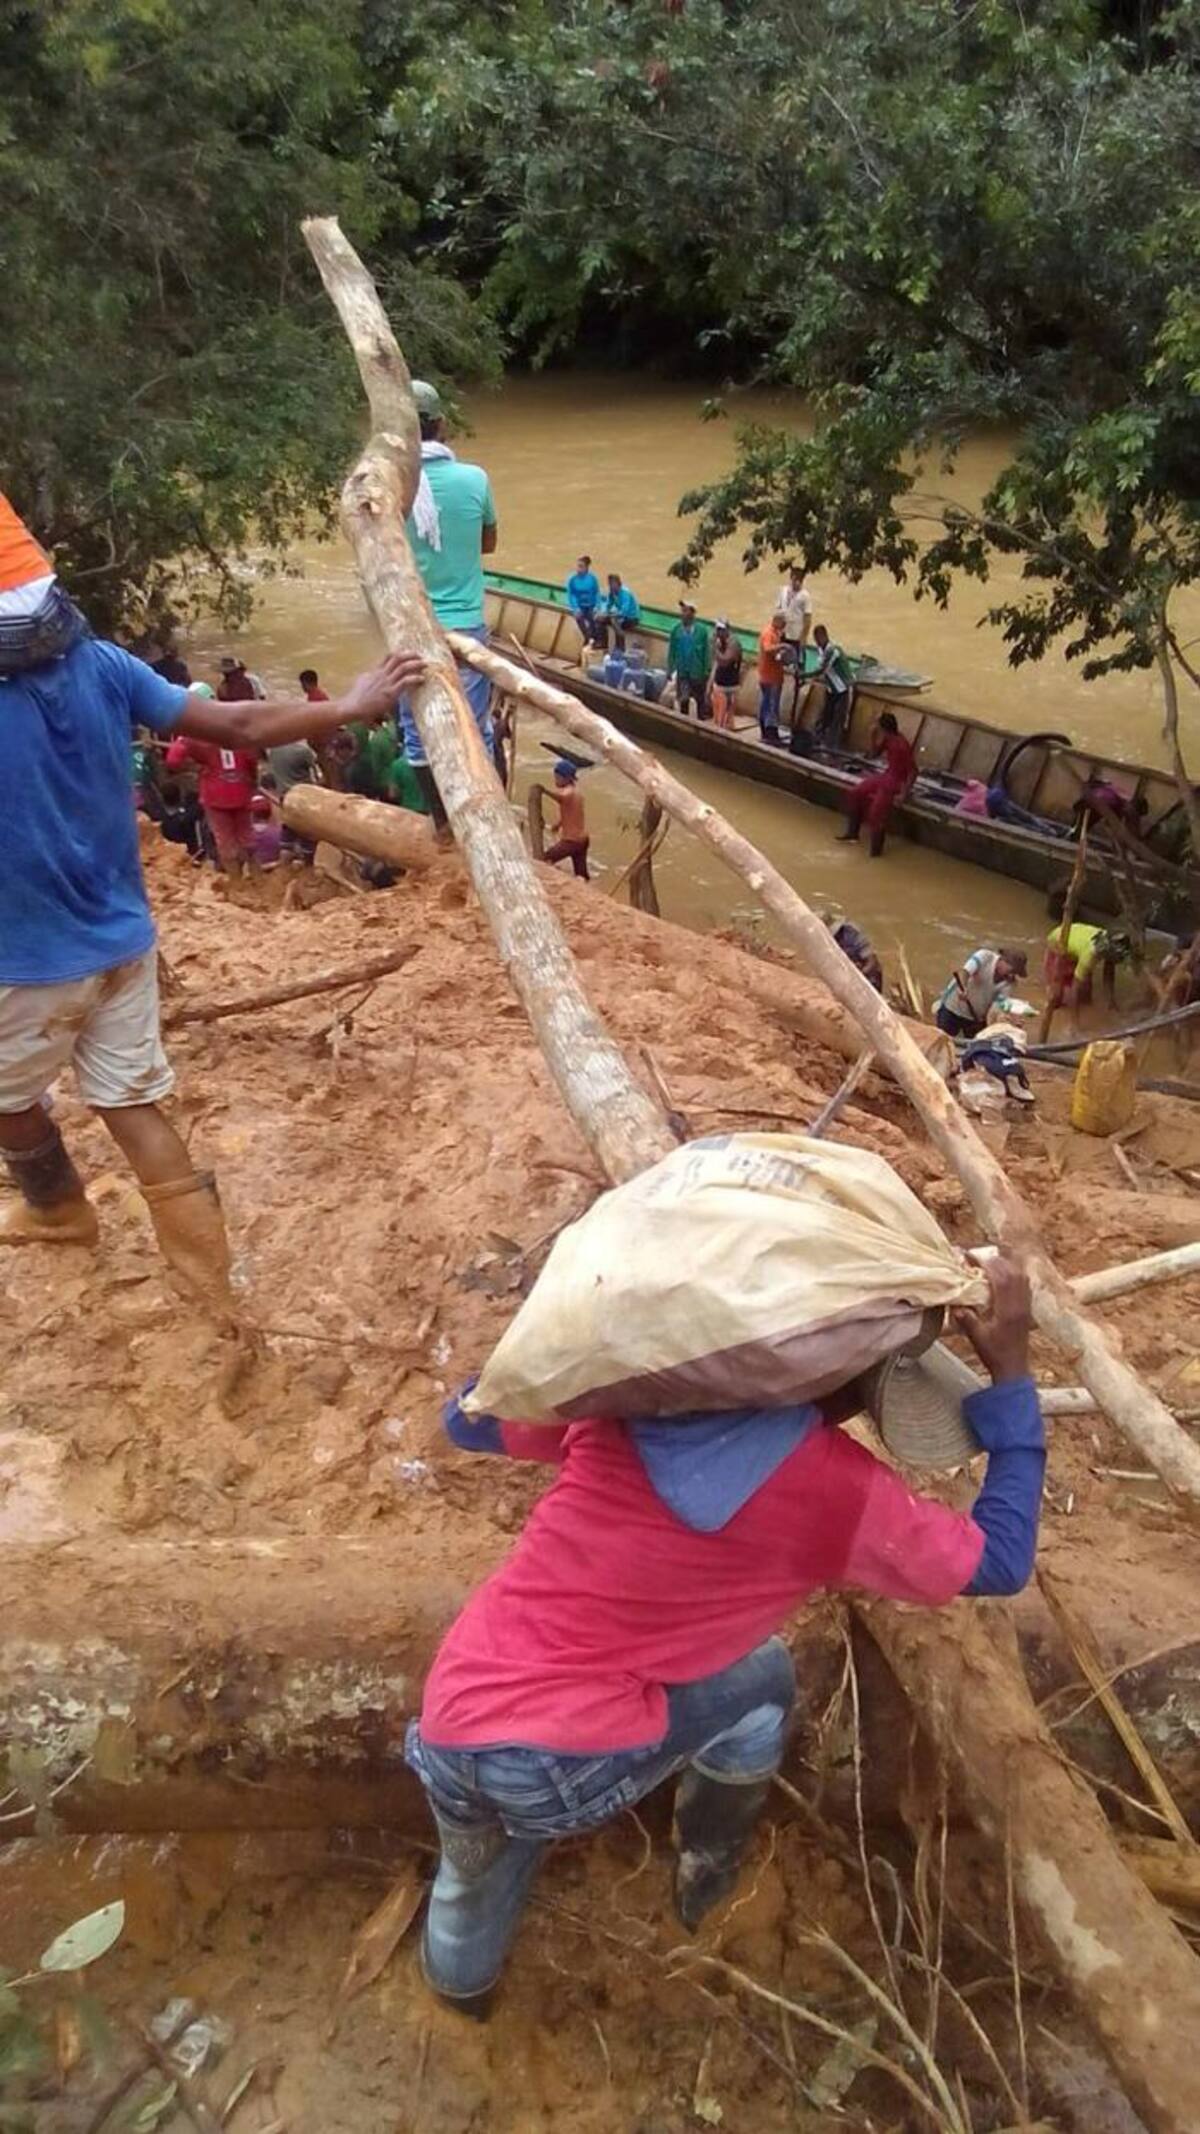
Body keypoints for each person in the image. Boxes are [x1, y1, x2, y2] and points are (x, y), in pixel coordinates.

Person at [406, 1257, 1043, 2012]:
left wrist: (578, 1340)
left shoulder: (628, 1404)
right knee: (764, 1682)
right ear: (862, 1388)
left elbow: (466, 1419)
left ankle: (459, 1994)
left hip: (450, 1718)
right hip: (558, 1765)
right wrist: (1013, 1380)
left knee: (473, 1867)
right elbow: (1000, 1561)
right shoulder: (837, 1490)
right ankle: (707, 1866)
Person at [0, 487, 423, 1301]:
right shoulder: (100, 663)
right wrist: (348, 703)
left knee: (9, 1102)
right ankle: (212, 1290)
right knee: (132, 1108)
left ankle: (56, 1207)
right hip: (125, 942)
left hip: (26, 958)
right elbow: (240, 727)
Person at [399, 379, 499, 839]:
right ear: (441, 425)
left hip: (413, 627)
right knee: (476, 728)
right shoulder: (474, 479)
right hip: (467, 627)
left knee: (417, 732)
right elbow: (489, 543)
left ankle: (442, 824)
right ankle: (488, 820)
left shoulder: (392, 490)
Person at [166, 728, 260, 875]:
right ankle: (258, 881)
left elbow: (172, 760)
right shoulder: (237, 727)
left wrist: (194, 766)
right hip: (241, 788)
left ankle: (237, 885)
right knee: (247, 838)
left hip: (214, 792)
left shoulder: (196, 733)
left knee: (225, 841)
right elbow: (253, 759)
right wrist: (252, 780)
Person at [837, 711, 917, 857]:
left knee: (876, 814)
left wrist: (903, 794)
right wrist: (872, 737)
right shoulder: (887, 739)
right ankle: (852, 834)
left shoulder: (901, 744)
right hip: (887, 776)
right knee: (855, 793)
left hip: (896, 781)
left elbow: (913, 771)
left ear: (883, 727)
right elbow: (874, 755)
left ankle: (876, 852)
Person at [1043, 893, 1128, 1016]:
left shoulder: (1112, 942)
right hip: (1059, 943)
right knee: (1056, 1000)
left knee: (1086, 999)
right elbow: (1074, 990)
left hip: (1077, 937)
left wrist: (1111, 1002)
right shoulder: (1091, 953)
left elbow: (1108, 975)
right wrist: (1074, 1025)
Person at [935, 948, 1029, 1039]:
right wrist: (963, 988)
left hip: (976, 1019)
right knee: (941, 1039)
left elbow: (995, 1009)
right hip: (952, 1009)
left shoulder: (1009, 984)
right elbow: (964, 972)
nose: (1011, 975)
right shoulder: (984, 956)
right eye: (1011, 971)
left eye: (1015, 973)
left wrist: (993, 1029)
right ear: (1002, 961)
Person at [542, 760, 590, 881]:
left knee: (544, 859)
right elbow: (572, 813)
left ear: (567, 778)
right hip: (583, 839)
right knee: (581, 873)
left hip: (571, 841)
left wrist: (544, 791)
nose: (555, 780)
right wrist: (558, 824)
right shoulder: (577, 792)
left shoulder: (568, 793)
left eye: (557, 777)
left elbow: (562, 798)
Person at [810, 625, 855, 750]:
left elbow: (821, 669)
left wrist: (804, 676)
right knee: (825, 715)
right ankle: (817, 739)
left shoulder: (832, 651)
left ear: (824, 636)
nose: (816, 642)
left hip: (843, 689)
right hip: (831, 688)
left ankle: (831, 747)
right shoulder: (821, 649)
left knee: (838, 720)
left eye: (818, 639)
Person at [777, 564, 813, 719]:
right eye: (794, 579)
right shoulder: (783, 591)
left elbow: (807, 618)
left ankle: (800, 680)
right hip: (784, 630)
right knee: (782, 657)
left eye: (799, 580)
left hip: (796, 633)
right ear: (790, 578)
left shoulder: (805, 596)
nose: (796, 582)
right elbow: (778, 609)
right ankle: (782, 677)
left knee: (798, 660)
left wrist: (804, 637)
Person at [666, 601, 711, 721]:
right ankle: (684, 720)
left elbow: (706, 652)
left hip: (697, 672)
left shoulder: (702, 631)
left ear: (692, 613)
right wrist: (670, 669)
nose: (682, 614)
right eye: (682, 611)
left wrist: (707, 671)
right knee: (683, 699)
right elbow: (672, 651)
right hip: (682, 672)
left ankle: (701, 722)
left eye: (685, 611)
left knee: (700, 700)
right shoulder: (676, 630)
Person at [830, 917, 883, 992]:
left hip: (866, 971)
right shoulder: (827, 939)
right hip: (848, 968)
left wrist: (859, 975)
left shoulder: (853, 933)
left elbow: (872, 961)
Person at [756, 612, 786, 745]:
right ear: (777, 621)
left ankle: (767, 732)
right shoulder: (769, 633)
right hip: (770, 677)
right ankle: (770, 734)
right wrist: (782, 646)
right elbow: (768, 649)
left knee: (768, 704)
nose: (785, 625)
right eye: (783, 622)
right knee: (771, 706)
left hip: (772, 676)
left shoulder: (776, 633)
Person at [708, 620, 743, 730]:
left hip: (731, 684)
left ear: (727, 629)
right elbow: (716, 664)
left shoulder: (734, 643)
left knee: (727, 717)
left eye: (721, 630)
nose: (718, 632)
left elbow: (725, 661)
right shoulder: (719, 642)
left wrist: (714, 648)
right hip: (719, 683)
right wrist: (710, 682)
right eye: (717, 630)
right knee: (718, 717)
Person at [598, 573, 641, 653]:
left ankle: (620, 647)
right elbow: (607, 605)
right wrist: (603, 613)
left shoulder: (625, 593)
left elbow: (625, 611)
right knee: (599, 618)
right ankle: (603, 644)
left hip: (631, 618)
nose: (611, 586)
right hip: (620, 617)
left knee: (614, 621)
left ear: (618, 583)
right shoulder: (612, 593)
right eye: (610, 584)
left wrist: (611, 615)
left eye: (613, 584)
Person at [566, 556, 602, 648]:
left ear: (586, 568)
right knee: (578, 618)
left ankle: (596, 639)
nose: (578, 569)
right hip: (580, 606)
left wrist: (597, 607)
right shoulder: (572, 579)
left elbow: (597, 593)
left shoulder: (592, 578)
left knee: (594, 619)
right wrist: (576, 608)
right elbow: (571, 595)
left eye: (581, 566)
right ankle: (587, 637)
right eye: (577, 566)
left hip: (591, 605)